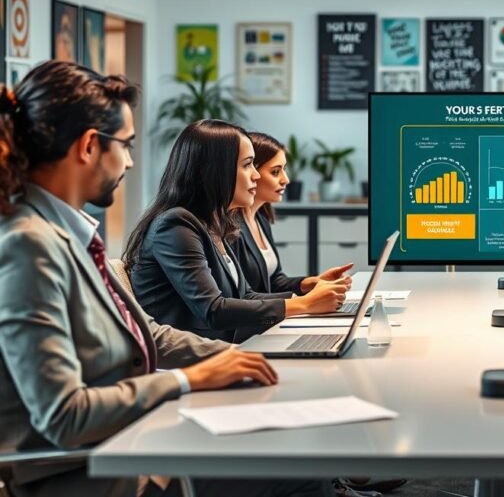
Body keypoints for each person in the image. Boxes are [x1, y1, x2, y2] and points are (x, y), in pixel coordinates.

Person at [0, 61, 331, 497]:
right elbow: (64, 414)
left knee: (301, 455)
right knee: (304, 472)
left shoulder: (72, 234)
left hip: (135, 439)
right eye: (126, 145)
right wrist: (189, 380)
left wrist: (237, 360)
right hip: (93, 471)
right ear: (88, 147)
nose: (132, 161)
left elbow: (150, 333)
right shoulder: (29, 246)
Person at [124, 120, 350, 343]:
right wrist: (305, 304)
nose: (256, 175)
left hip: (227, 346)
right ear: (213, 170)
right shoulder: (175, 225)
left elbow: (245, 296)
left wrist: (307, 297)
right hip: (197, 358)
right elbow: (213, 310)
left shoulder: (214, 222)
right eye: (247, 165)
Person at [235, 132, 353, 296]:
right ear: (252, 171)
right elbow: (243, 296)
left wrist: (313, 282)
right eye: (275, 172)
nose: (286, 180)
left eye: (284, 170)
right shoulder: (230, 227)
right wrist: (306, 303)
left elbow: (274, 281)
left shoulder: (260, 218)